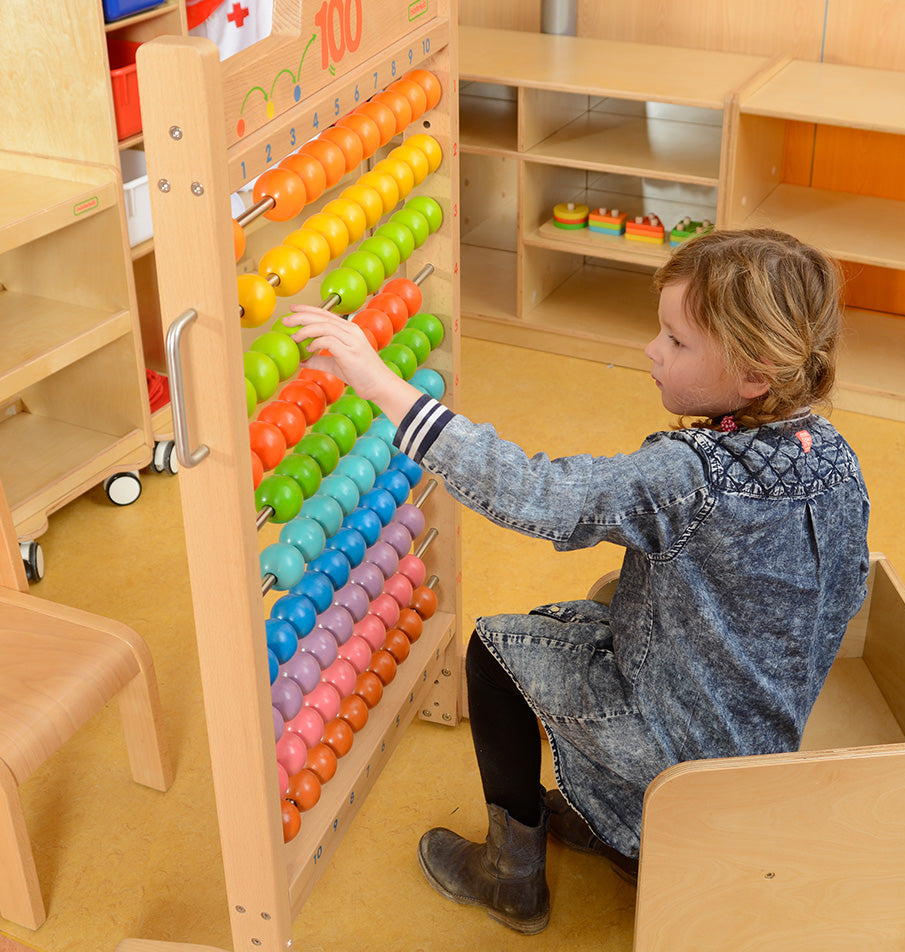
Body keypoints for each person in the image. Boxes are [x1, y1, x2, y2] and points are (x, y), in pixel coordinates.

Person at [285, 227, 871, 935]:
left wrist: (380, 383)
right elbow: (843, 594)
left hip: (675, 751)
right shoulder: (836, 458)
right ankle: (617, 824)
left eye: (677, 342)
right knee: (602, 597)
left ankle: (512, 876)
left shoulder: (687, 476)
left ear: (755, 376)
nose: (653, 350)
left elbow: (540, 493)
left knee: (494, 652)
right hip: (761, 750)